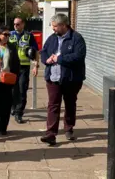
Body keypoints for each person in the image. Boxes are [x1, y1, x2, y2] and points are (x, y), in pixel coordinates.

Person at [40, 14, 86, 145]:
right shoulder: (52, 38)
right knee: (53, 105)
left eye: (55, 26)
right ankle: (51, 133)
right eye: (52, 26)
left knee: (70, 103)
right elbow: (43, 51)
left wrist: (59, 59)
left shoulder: (77, 38)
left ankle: (68, 128)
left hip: (71, 79)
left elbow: (78, 57)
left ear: (63, 25)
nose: (53, 29)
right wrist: (46, 60)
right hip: (53, 77)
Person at [10, 17, 40, 124]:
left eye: (18, 24)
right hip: (11, 68)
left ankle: (19, 113)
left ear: (23, 24)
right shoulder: (10, 35)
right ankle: (13, 107)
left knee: (22, 89)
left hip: (24, 67)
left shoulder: (29, 36)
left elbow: (36, 50)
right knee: (13, 90)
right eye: (14, 24)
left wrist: (36, 65)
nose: (16, 26)